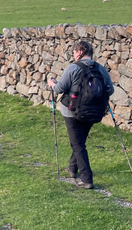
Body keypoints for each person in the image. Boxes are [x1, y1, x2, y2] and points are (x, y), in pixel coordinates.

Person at [48, 40, 114, 189]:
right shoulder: (101, 68)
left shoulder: (73, 68)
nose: (73, 55)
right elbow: (110, 90)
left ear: (79, 52)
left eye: (73, 52)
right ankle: (72, 168)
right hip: (94, 110)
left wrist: (51, 83)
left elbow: (59, 89)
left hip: (72, 111)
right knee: (79, 141)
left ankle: (86, 178)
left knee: (77, 144)